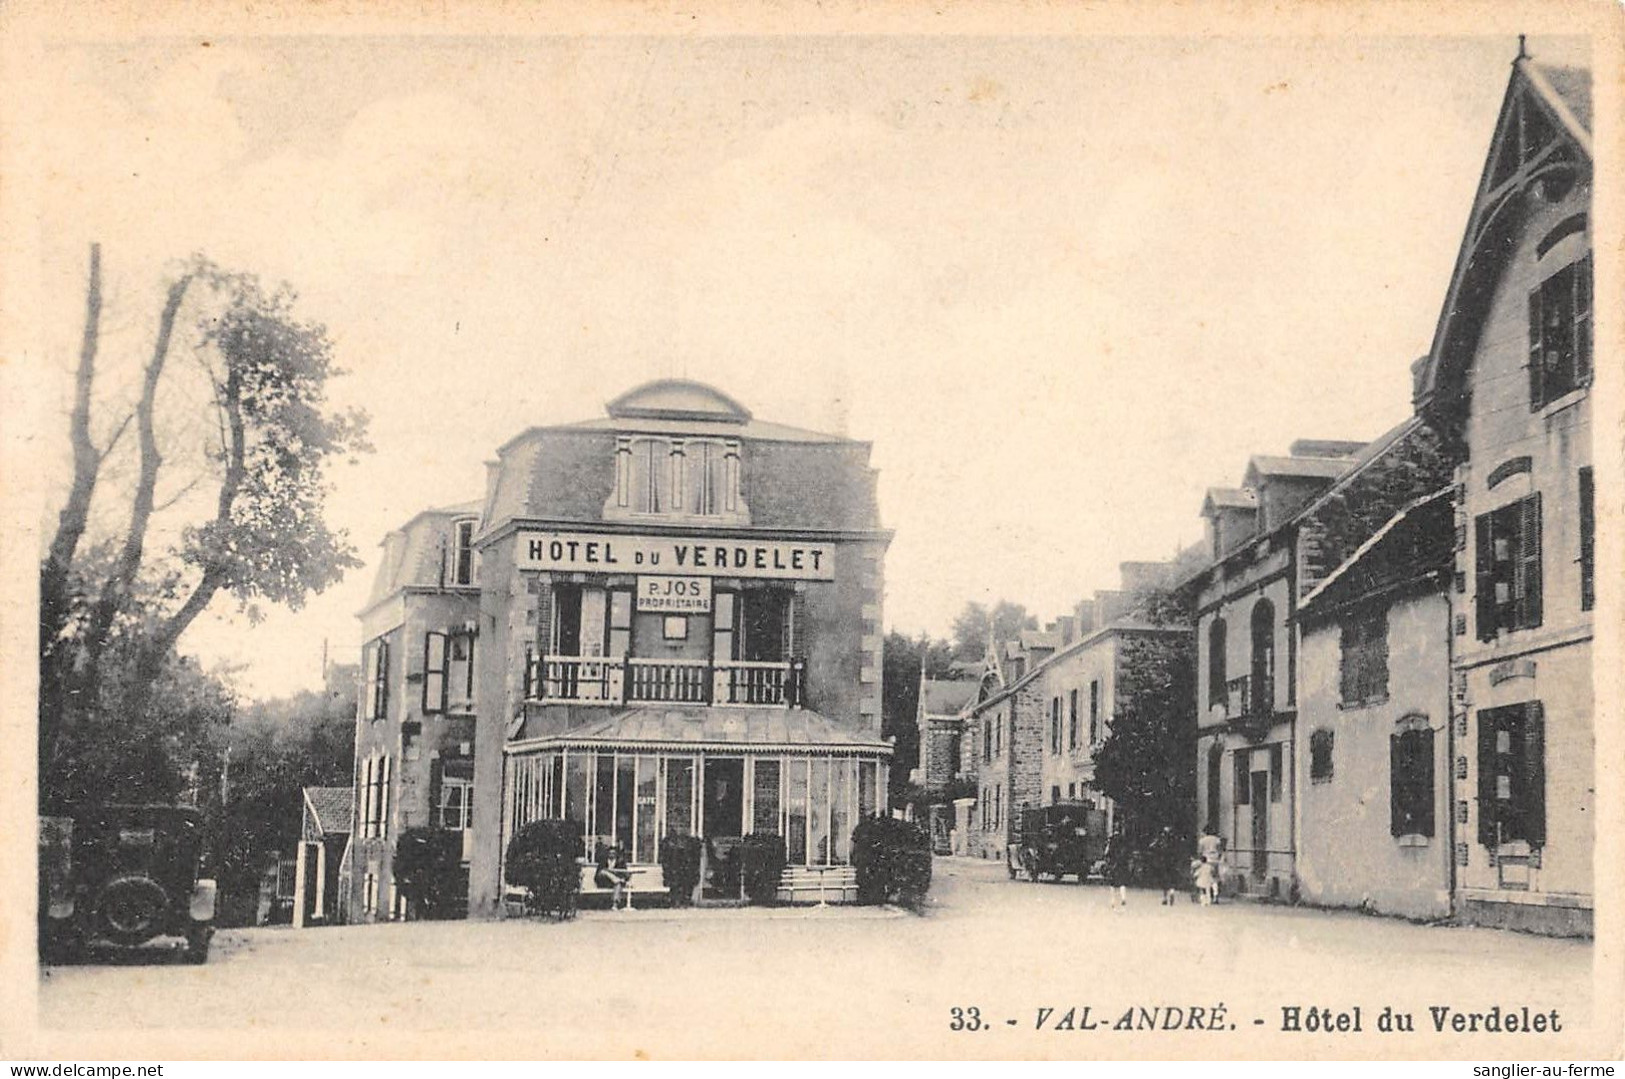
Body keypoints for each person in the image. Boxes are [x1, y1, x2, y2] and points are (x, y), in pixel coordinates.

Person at [595, 844, 633, 911]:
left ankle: (615, 905)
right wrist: (610, 875)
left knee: (618, 884)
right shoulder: (603, 861)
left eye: (613, 853)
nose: (611, 855)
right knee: (603, 871)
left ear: (616, 854)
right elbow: (597, 875)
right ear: (607, 854)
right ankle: (614, 878)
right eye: (610, 853)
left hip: (614, 884)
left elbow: (626, 874)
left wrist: (622, 879)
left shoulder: (620, 862)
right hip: (604, 881)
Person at [1197, 822, 1225, 906]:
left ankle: (1205, 897)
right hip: (1215, 859)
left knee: (1205, 878)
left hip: (1206, 860)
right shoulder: (1217, 840)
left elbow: (1199, 851)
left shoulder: (1202, 840)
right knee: (1215, 878)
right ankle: (1215, 896)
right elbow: (1220, 851)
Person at [1102, 835, 1130, 910]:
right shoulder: (1123, 846)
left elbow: (1106, 854)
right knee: (1122, 882)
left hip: (1113, 865)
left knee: (1112, 884)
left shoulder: (1111, 846)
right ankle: (1123, 898)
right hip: (1121, 865)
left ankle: (1113, 901)